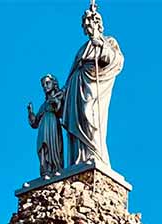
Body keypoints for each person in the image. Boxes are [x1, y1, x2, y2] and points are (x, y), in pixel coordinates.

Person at [61, 4, 124, 168]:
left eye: (90, 23)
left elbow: (116, 60)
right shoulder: (83, 48)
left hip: (94, 84)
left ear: (98, 24)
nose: (87, 27)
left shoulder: (109, 41)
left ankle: (95, 154)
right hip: (77, 86)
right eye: (85, 25)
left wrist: (101, 45)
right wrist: (63, 92)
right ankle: (80, 159)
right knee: (78, 120)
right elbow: (73, 70)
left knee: (90, 115)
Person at [27, 74, 65, 178]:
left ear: (54, 84)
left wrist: (56, 102)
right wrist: (30, 112)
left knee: (53, 147)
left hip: (53, 125)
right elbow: (35, 123)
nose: (45, 86)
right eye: (43, 85)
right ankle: (45, 170)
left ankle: (55, 168)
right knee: (43, 147)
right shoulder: (43, 105)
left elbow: (62, 112)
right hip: (43, 128)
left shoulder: (60, 96)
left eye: (47, 83)